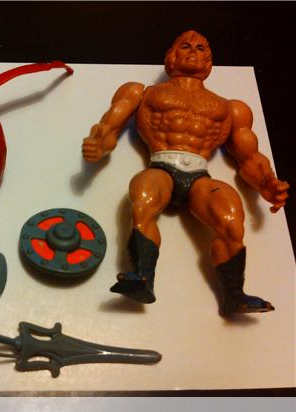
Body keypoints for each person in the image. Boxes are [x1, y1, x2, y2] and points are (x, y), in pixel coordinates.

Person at [82, 30, 289, 314]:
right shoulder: (142, 92)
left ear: (209, 61)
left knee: (232, 221)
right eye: (186, 46)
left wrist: (267, 183)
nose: (193, 51)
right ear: (171, 56)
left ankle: (234, 295)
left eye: (201, 48)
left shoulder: (231, 108)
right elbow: (108, 128)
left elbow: (250, 157)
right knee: (142, 201)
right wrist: (99, 146)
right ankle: (142, 278)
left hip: (200, 175)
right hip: (161, 166)